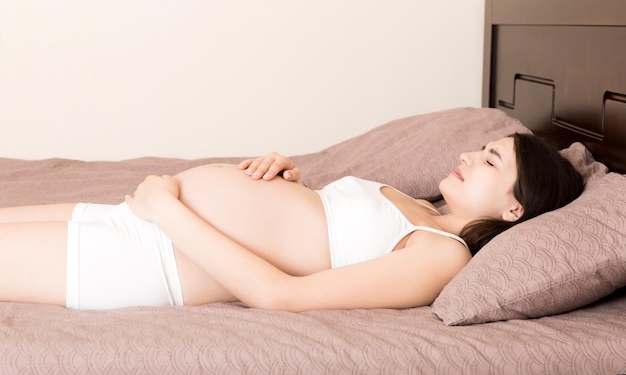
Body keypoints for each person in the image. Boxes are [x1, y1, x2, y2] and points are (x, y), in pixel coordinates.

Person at [0, 133, 583, 311]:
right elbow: (321, 234)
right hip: (143, 217)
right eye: (479, 147)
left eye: (488, 161)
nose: (465, 156)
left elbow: (282, 296)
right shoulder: (419, 207)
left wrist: (169, 212)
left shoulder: (442, 254)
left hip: (150, 257)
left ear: (515, 209)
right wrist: (293, 186)